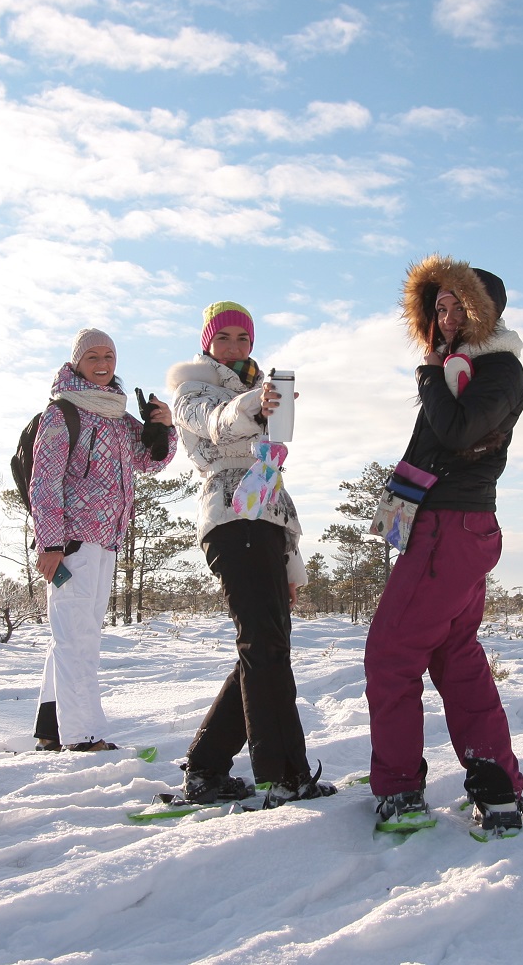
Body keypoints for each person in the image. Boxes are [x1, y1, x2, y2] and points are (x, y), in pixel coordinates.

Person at [365, 255, 523, 836]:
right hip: (451, 527)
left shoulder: (498, 369)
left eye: (459, 305)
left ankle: (400, 789)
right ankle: (497, 787)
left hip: (449, 529)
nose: (448, 315)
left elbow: (459, 432)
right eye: (439, 307)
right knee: (454, 656)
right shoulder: (460, 365)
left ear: (484, 312)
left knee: (390, 657)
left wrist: (429, 377)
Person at [166, 301, 336, 808]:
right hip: (230, 517)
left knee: (263, 649)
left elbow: (271, 473)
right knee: (264, 648)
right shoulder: (192, 390)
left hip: (267, 519)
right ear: (207, 342)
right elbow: (216, 423)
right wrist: (253, 407)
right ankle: (283, 774)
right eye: (226, 338)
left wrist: (291, 559)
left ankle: (206, 768)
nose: (236, 347)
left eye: (244, 339)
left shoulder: (255, 390)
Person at [30, 329, 176, 752]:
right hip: (72, 542)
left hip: (106, 540)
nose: (102, 362)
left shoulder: (115, 412)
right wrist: (51, 543)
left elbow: (150, 462)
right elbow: (44, 482)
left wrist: (161, 429)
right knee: (78, 638)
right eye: (92, 355)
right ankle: (81, 735)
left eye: (109, 355)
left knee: (76, 634)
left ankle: (51, 729)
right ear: (76, 362)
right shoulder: (62, 413)